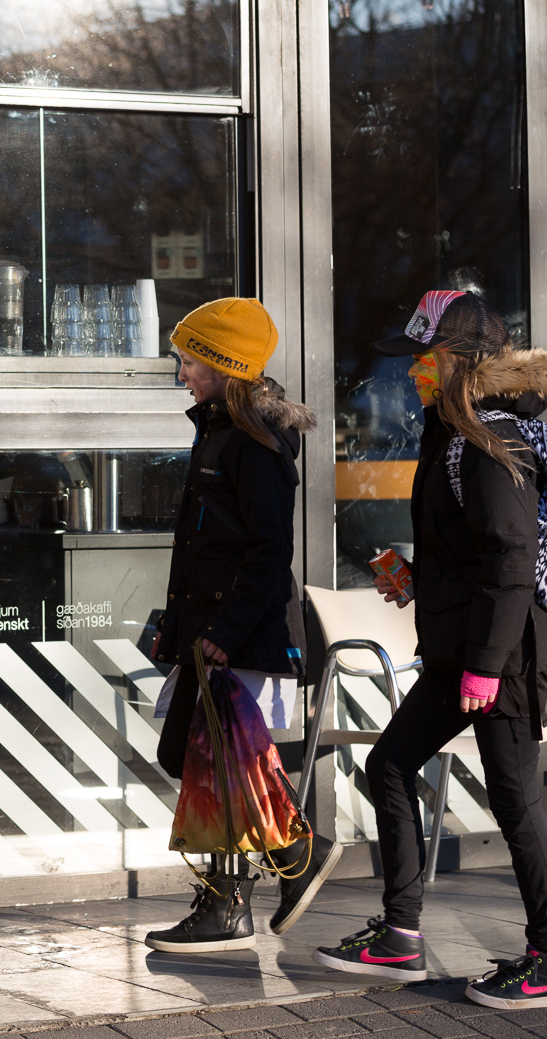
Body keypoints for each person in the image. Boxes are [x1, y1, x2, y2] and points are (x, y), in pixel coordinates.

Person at [312, 291, 547, 1010]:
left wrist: (488, 668)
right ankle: (399, 936)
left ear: (457, 362)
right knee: (390, 763)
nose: (413, 376)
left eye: (424, 362)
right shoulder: (454, 435)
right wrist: (415, 578)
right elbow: (470, 552)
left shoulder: (491, 442)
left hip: (501, 655)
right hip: (465, 648)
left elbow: (510, 558)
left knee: (515, 799)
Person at [144, 298, 341, 954]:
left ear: (225, 364)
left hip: (239, 636)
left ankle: (230, 904)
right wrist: (179, 628)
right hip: (215, 630)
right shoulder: (221, 433)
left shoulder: (251, 445)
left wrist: (222, 633)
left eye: (190, 360)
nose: (181, 373)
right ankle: (291, 859)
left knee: (208, 761)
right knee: (201, 757)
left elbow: (266, 555)